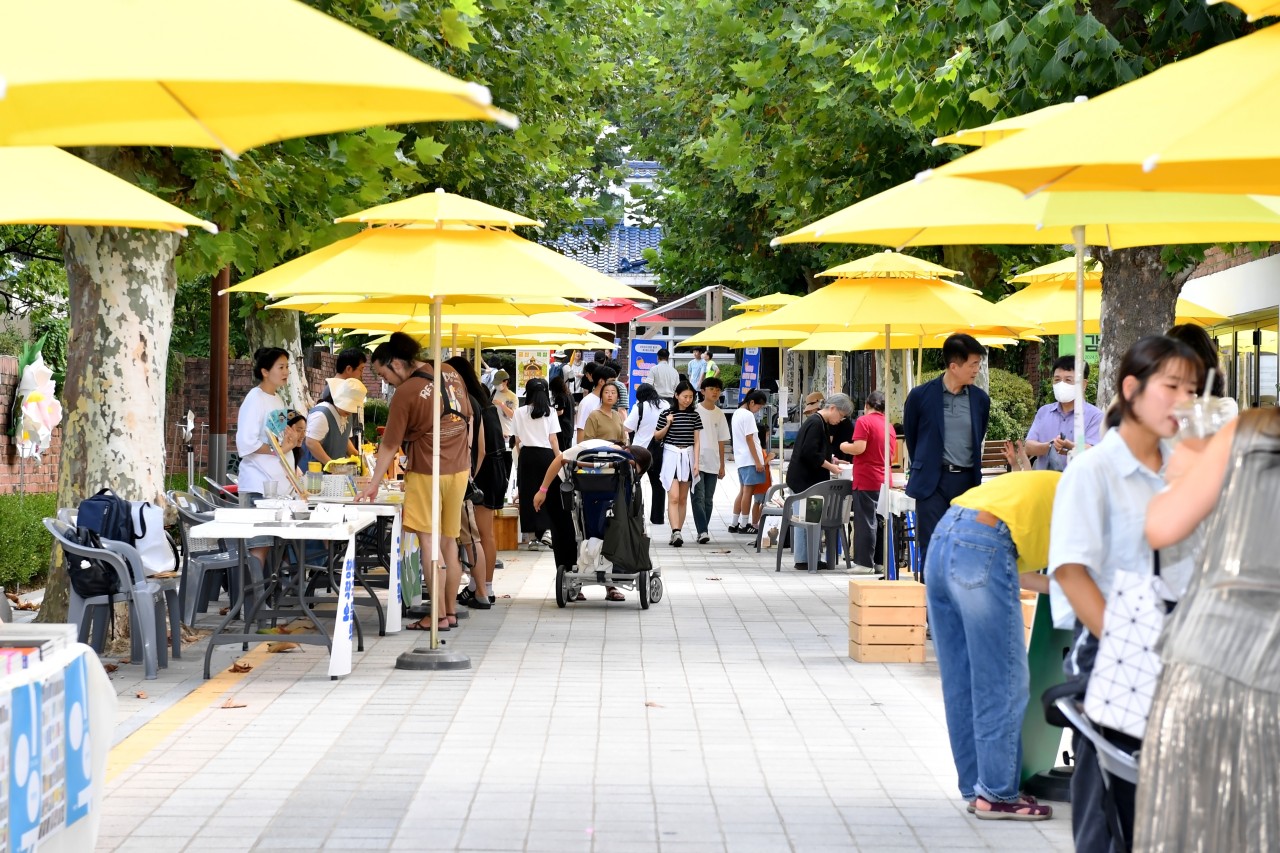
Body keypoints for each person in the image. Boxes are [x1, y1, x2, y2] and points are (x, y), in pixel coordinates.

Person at [1048, 335, 1202, 853]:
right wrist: (1131, 646)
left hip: (1182, 655)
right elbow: (1071, 572)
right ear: (1131, 389)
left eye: (1193, 389)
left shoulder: (1185, 471)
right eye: (1172, 386)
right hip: (1117, 653)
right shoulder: (1094, 471)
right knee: (1113, 814)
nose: (1184, 400)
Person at [1136, 410, 1272, 852]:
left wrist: (1188, 465)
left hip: (1209, 663)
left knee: (1192, 829)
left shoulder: (1252, 430)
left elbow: (1161, 525)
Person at [926, 471, 1060, 821]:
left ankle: (978, 788)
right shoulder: (1096, 503)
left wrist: (1062, 588)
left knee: (963, 678)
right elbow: (1083, 575)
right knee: (1002, 676)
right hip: (985, 539)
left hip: (945, 536)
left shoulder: (1052, 489)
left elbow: (1012, 570)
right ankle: (999, 794)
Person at [361, 333, 474, 633]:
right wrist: (466, 458)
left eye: (384, 374)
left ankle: (436, 617)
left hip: (427, 471)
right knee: (449, 541)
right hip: (460, 468)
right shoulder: (450, 372)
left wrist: (373, 484)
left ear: (396, 363)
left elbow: (389, 445)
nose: (387, 382)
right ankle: (449, 612)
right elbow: (469, 419)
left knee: (428, 542)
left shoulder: (407, 391)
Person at [903, 333, 991, 571]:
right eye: (973, 364)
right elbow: (912, 437)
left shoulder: (980, 399)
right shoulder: (921, 396)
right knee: (932, 548)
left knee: (963, 547)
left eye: (978, 364)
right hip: (932, 484)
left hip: (966, 482)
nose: (976, 370)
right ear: (954, 366)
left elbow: (978, 434)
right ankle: (933, 608)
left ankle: (959, 606)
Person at [530, 440, 653, 602]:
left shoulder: (618, 460)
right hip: (561, 484)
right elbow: (559, 459)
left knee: (604, 528)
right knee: (566, 534)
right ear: (629, 452)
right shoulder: (589, 448)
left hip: (601, 490)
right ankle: (574, 584)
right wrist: (542, 490)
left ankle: (609, 585)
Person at [446, 355, 506, 613]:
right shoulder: (483, 398)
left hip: (482, 472)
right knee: (484, 534)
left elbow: (478, 449)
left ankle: (483, 587)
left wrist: (469, 478)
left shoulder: (468, 402)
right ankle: (481, 586)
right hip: (496, 470)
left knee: (478, 536)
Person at [236, 347, 292, 571]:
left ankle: (269, 595)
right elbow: (246, 443)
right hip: (259, 485)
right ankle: (255, 600)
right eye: (281, 367)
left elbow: (276, 438)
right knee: (259, 547)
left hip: (277, 485)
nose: (286, 371)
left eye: (287, 366)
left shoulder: (278, 399)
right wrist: (278, 449)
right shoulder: (254, 398)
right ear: (265, 371)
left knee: (274, 545)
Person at [785, 394, 852, 571]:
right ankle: (803, 559)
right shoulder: (816, 423)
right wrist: (831, 467)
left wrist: (834, 460)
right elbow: (810, 453)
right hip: (804, 480)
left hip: (809, 480)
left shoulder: (820, 423)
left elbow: (819, 451)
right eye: (841, 415)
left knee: (811, 518)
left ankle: (811, 557)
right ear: (833, 408)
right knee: (805, 520)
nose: (841, 420)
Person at [845, 390, 896, 571]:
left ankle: (864, 563)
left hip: (866, 477)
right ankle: (881, 562)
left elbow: (859, 448)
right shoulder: (889, 426)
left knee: (865, 520)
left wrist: (844, 446)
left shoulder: (863, 421)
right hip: (884, 478)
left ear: (867, 405)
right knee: (882, 520)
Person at [1024, 356, 1103, 471]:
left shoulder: (1095, 416)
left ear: (1083, 385)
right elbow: (1029, 447)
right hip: (1045, 484)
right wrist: (1050, 446)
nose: (1061, 384)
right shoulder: (1044, 412)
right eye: (1057, 380)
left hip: (1078, 485)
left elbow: (1093, 450)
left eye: (1068, 380)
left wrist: (1069, 446)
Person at [513, 378, 560, 551]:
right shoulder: (551, 411)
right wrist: (559, 460)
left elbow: (517, 440)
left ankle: (532, 538)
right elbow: (553, 439)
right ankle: (547, 531)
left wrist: (521, 457)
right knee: (546, 491)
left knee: (527, 494)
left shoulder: (519, 412)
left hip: (527, 455)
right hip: (547, 456)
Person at [655, 381, 702, 547]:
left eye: (691, 397)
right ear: (676, 396)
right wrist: (668, 423)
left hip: (688, 456)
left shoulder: (694, 415)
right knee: (673, 496)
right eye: (685, 396)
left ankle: (678, 532)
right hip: (671, 455)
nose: (688, 400)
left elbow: (697, 441)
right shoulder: (666, 413)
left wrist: (696, 462)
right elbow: (657, 436)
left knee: (683, 498)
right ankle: (675, 531)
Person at [691, 376, 731, 544]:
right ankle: (702, 530)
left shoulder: (719, 414)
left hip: (713, 461)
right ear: (702, 391)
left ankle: (703, 530)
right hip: (697, 461)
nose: (715, 392)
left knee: (708, 499)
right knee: (697, 497)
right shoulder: (694, 410)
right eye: (711, 389)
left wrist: (722, 465)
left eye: (718, 389)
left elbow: (721, 441)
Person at [624, 383, 669, 525]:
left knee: (633, 482)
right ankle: (657, 518)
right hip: (660, 451)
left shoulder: (640, 407)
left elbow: (627, 427)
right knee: (658, 485)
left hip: (640, 451)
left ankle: (632, 513)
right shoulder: (666, 404)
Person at [301, 377, 367, 470]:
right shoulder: (321, 414)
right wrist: (331, 465)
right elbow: (311, 442)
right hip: (314, 474)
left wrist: (358, 456)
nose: (350, 411)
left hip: (334, 476)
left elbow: (343, 438)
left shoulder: (347, 414)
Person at [729, 390, 768, 535]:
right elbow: (750, 439)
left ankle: (734, 522)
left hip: (741, 458)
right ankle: (744, 524)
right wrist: (758, 461)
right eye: (759, 407)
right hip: (750, 459)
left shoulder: (737, 413)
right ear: (752, 403)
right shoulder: (748, 415)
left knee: (742, 491)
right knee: (748, 492)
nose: (759, 410)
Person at [574, 364, 616, 443]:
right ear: (601, 381)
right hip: (592, 451)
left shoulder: (609, 400)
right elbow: (581, 430)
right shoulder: (587, 402)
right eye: (611, 381)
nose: (614, 385)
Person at [490, 369, 518, 479]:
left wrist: (501, 404)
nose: (497, 386)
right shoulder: (493, 393)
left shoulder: (512, 397)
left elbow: (513, 415)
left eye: (499, 383)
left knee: (507, 463)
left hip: (508, 433)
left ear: (505, 382)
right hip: (495, 433)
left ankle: (507, 484)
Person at [549, 375, 575, 440]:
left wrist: (549, 415)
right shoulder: (570, 395)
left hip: (562, 429)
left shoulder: (560, 397)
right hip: (570, 428)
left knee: (562, 449)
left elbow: (560, 412)